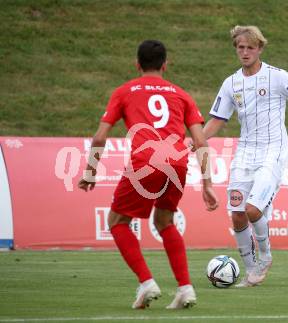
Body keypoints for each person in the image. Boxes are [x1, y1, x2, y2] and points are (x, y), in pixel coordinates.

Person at [78, 40, 219, 309]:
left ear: (137, 64)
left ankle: (146, 283)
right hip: (177, 164)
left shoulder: (124, 91)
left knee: (117, 221)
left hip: (146, 161)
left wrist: (91, 171)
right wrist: (207, 184)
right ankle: (185, 289)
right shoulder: (181, 94)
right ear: (165, 65)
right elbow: (201, 142)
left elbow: (99, 137)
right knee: (165, 222)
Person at [203, 26, 288, 287]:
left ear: (260, 49)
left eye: (250, 48)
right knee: (237, 213)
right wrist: (197, 139)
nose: (244, 52)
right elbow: (218, 119)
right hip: (245, 152)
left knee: (252, 208)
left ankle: (265, 257)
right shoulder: (231, 83)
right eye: (240, 47)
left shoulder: (277, 77)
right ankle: (251, 270)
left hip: (273, 150)